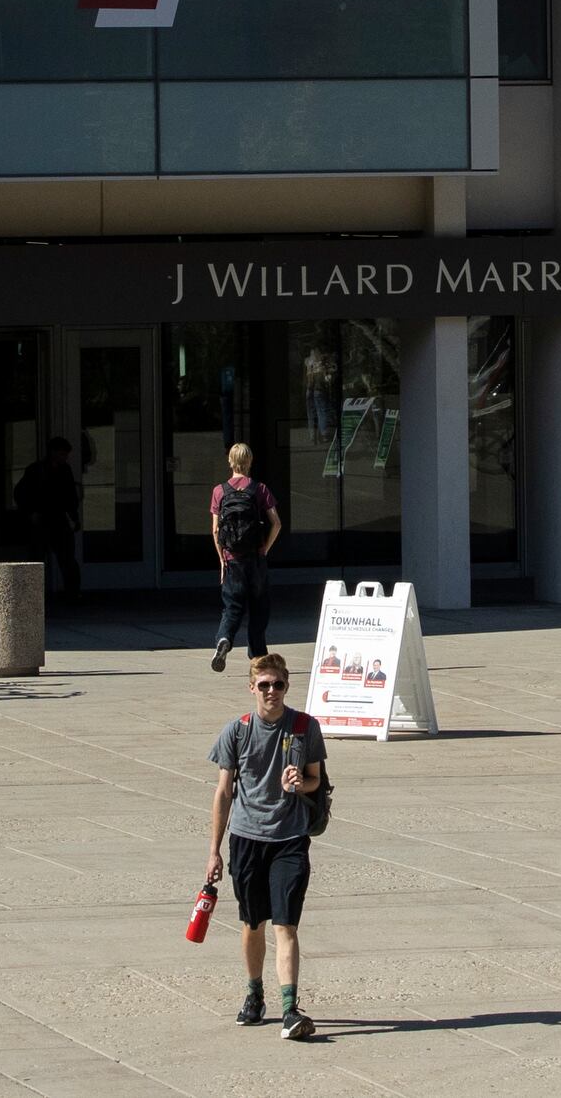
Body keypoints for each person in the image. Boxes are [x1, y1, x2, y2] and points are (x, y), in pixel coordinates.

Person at [207, 653, 326, 1042]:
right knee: (251, 923)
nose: (271, 691)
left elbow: (316, 782)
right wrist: (214, 850)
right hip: (246, 838)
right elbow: (224, 792)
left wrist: (299, 784)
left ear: (287, 686)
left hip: (289, 838)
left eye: (278, 684)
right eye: (264, 685)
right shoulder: (237, 731)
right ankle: (254, 993)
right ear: (252, 687)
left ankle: (290, 1008)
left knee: (285, 923)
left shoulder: (305, 727)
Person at [209, 443, 282, 672]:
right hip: (256, 558)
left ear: (230, 462)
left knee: (232, 607)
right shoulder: (259, 489)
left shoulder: (219, 491)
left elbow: (215, 531)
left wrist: (222, 560)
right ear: (250, 461)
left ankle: (224, 640)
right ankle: (259, 658)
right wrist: (265, 549)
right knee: (259, 608)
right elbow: (277, 523)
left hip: (233, 560)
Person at [18, 436, 83, 603]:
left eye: (65, 455)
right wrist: (31, 512)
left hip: (58, 519)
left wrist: (74, 517)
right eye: (62, 454)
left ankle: (73, 594)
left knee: (67, 558)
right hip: (41, 519)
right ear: (53, 452)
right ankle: (33, 597)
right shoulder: (36, 470)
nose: (64, 458)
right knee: (36, 559)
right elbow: (21, 493)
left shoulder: (65, 470)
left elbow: (70, 496)